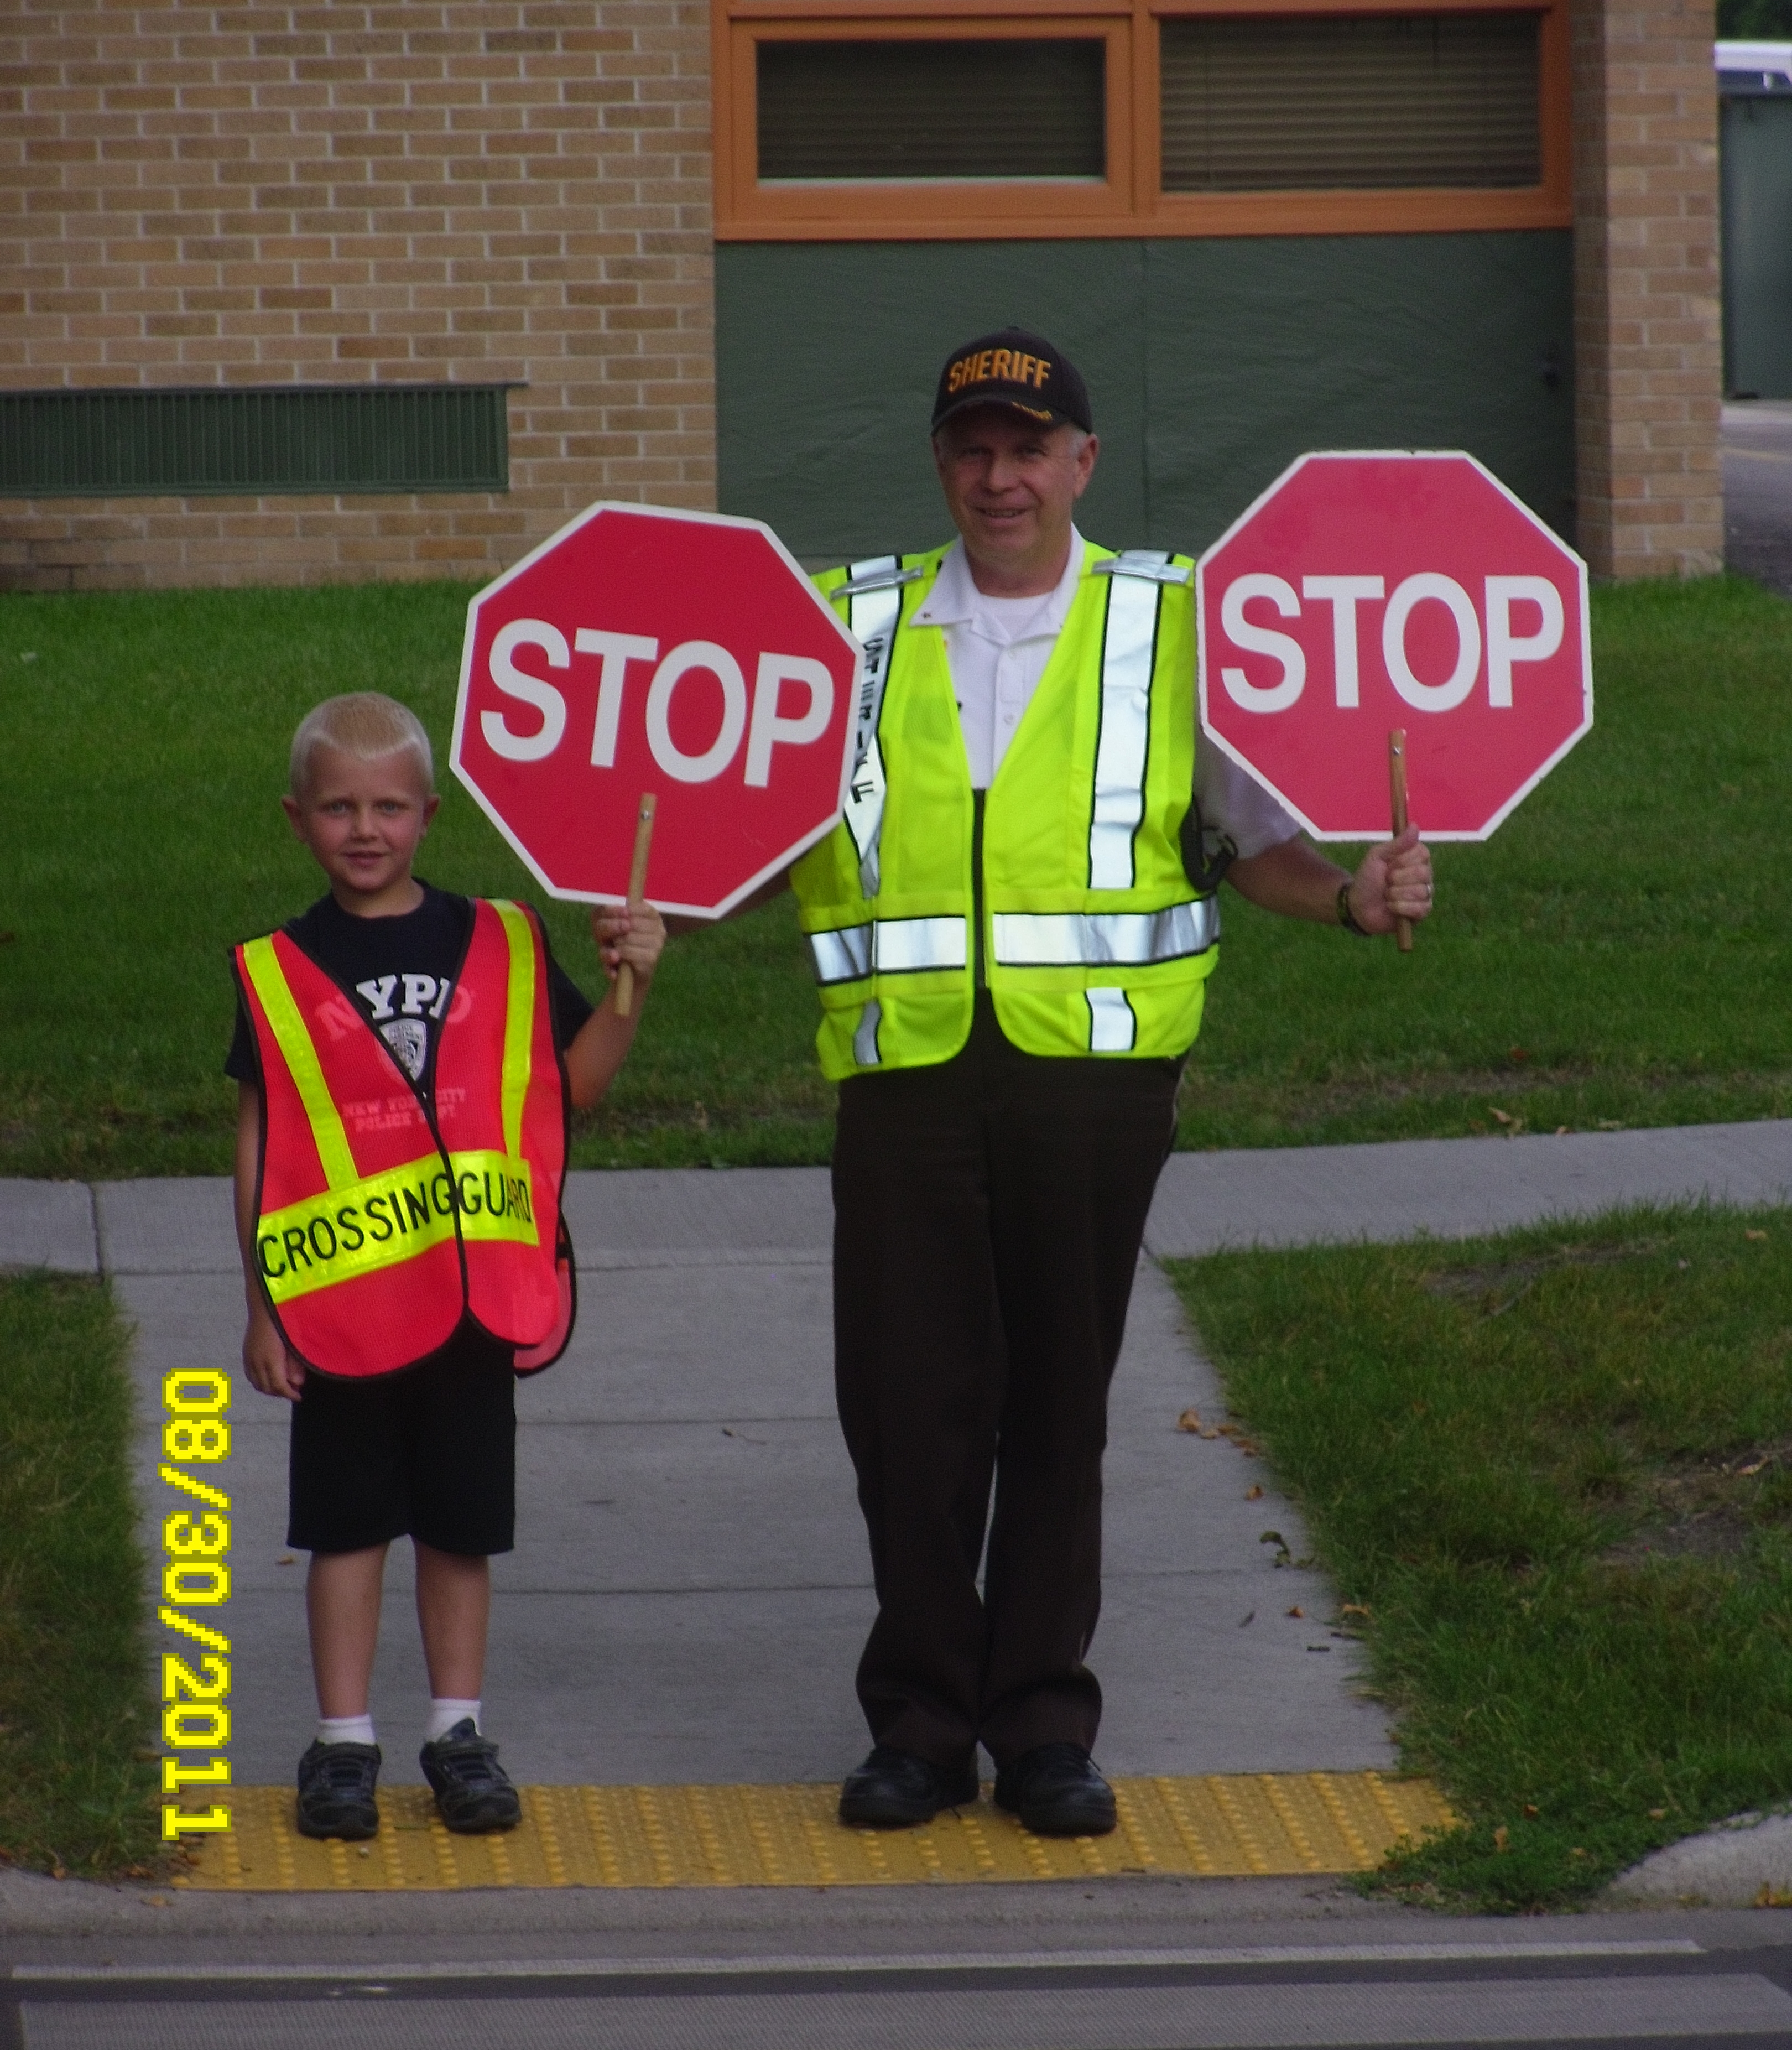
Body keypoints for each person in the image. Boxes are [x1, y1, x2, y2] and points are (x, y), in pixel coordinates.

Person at [784, 327, 1434, 1837]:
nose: (998, 476)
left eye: (1029, 447)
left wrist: (1350, 899)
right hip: (906, 1075)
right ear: (939, 464)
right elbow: (757, 838)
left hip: (1096, 1082)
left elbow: (1255, 837)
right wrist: (657, 910)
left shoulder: (1171, 623)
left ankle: (1043, 1728)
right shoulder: (849, 625)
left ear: (1083, 462)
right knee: (907, 1409)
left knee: (1055, 1405)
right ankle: (921, 1724)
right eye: (972, 449)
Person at [230, 691, 664, 1843]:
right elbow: (262, 1141)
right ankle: (343, 1745)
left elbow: (576, 1087)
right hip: (344, 1303)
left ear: (430, 813)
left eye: (387, 806)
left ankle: (458, 1733)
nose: (363, 829)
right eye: (337, 808)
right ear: (297, 819)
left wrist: (635, 982)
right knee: (345, 1525)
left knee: (462, 1526)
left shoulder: (505, 941)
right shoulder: (280, 970)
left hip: (473, 1301)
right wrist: (264, 1303)